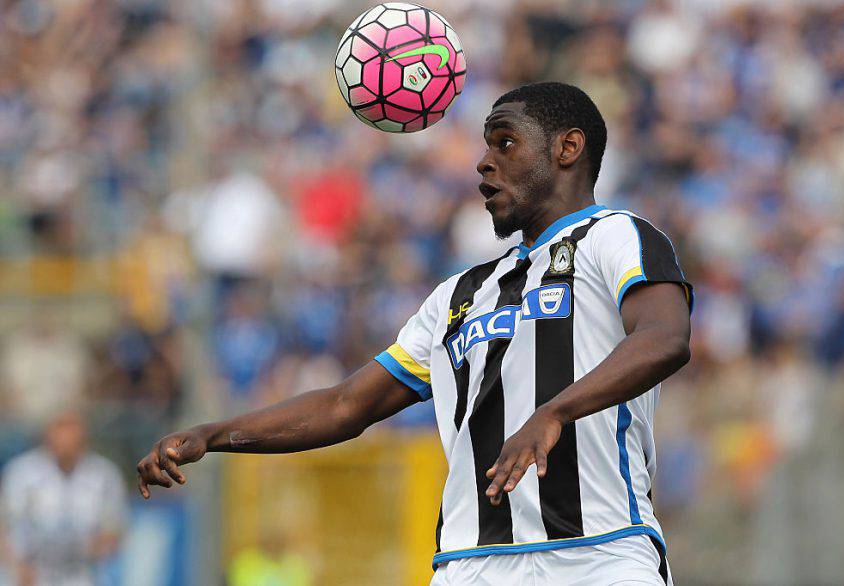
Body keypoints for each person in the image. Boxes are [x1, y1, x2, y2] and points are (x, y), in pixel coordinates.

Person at [137, 82, 693, 585]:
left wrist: (553, 412)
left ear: (567, 149)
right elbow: (344, 404)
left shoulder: (614, 237)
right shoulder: (459, 294)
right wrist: (213, 434)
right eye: (484, 146)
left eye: (504, 143)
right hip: (471, 564)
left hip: (600, 553)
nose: (482, 163)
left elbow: (664, 337)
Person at [1, 411, 127, 586]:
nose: (65, 440)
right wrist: (18, 566)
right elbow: (4, 526)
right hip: (32, 572)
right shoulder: (22, 472)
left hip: (82, 573)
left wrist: (85, 548)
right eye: (60, 429)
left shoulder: (103, 474)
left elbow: (115, 529)